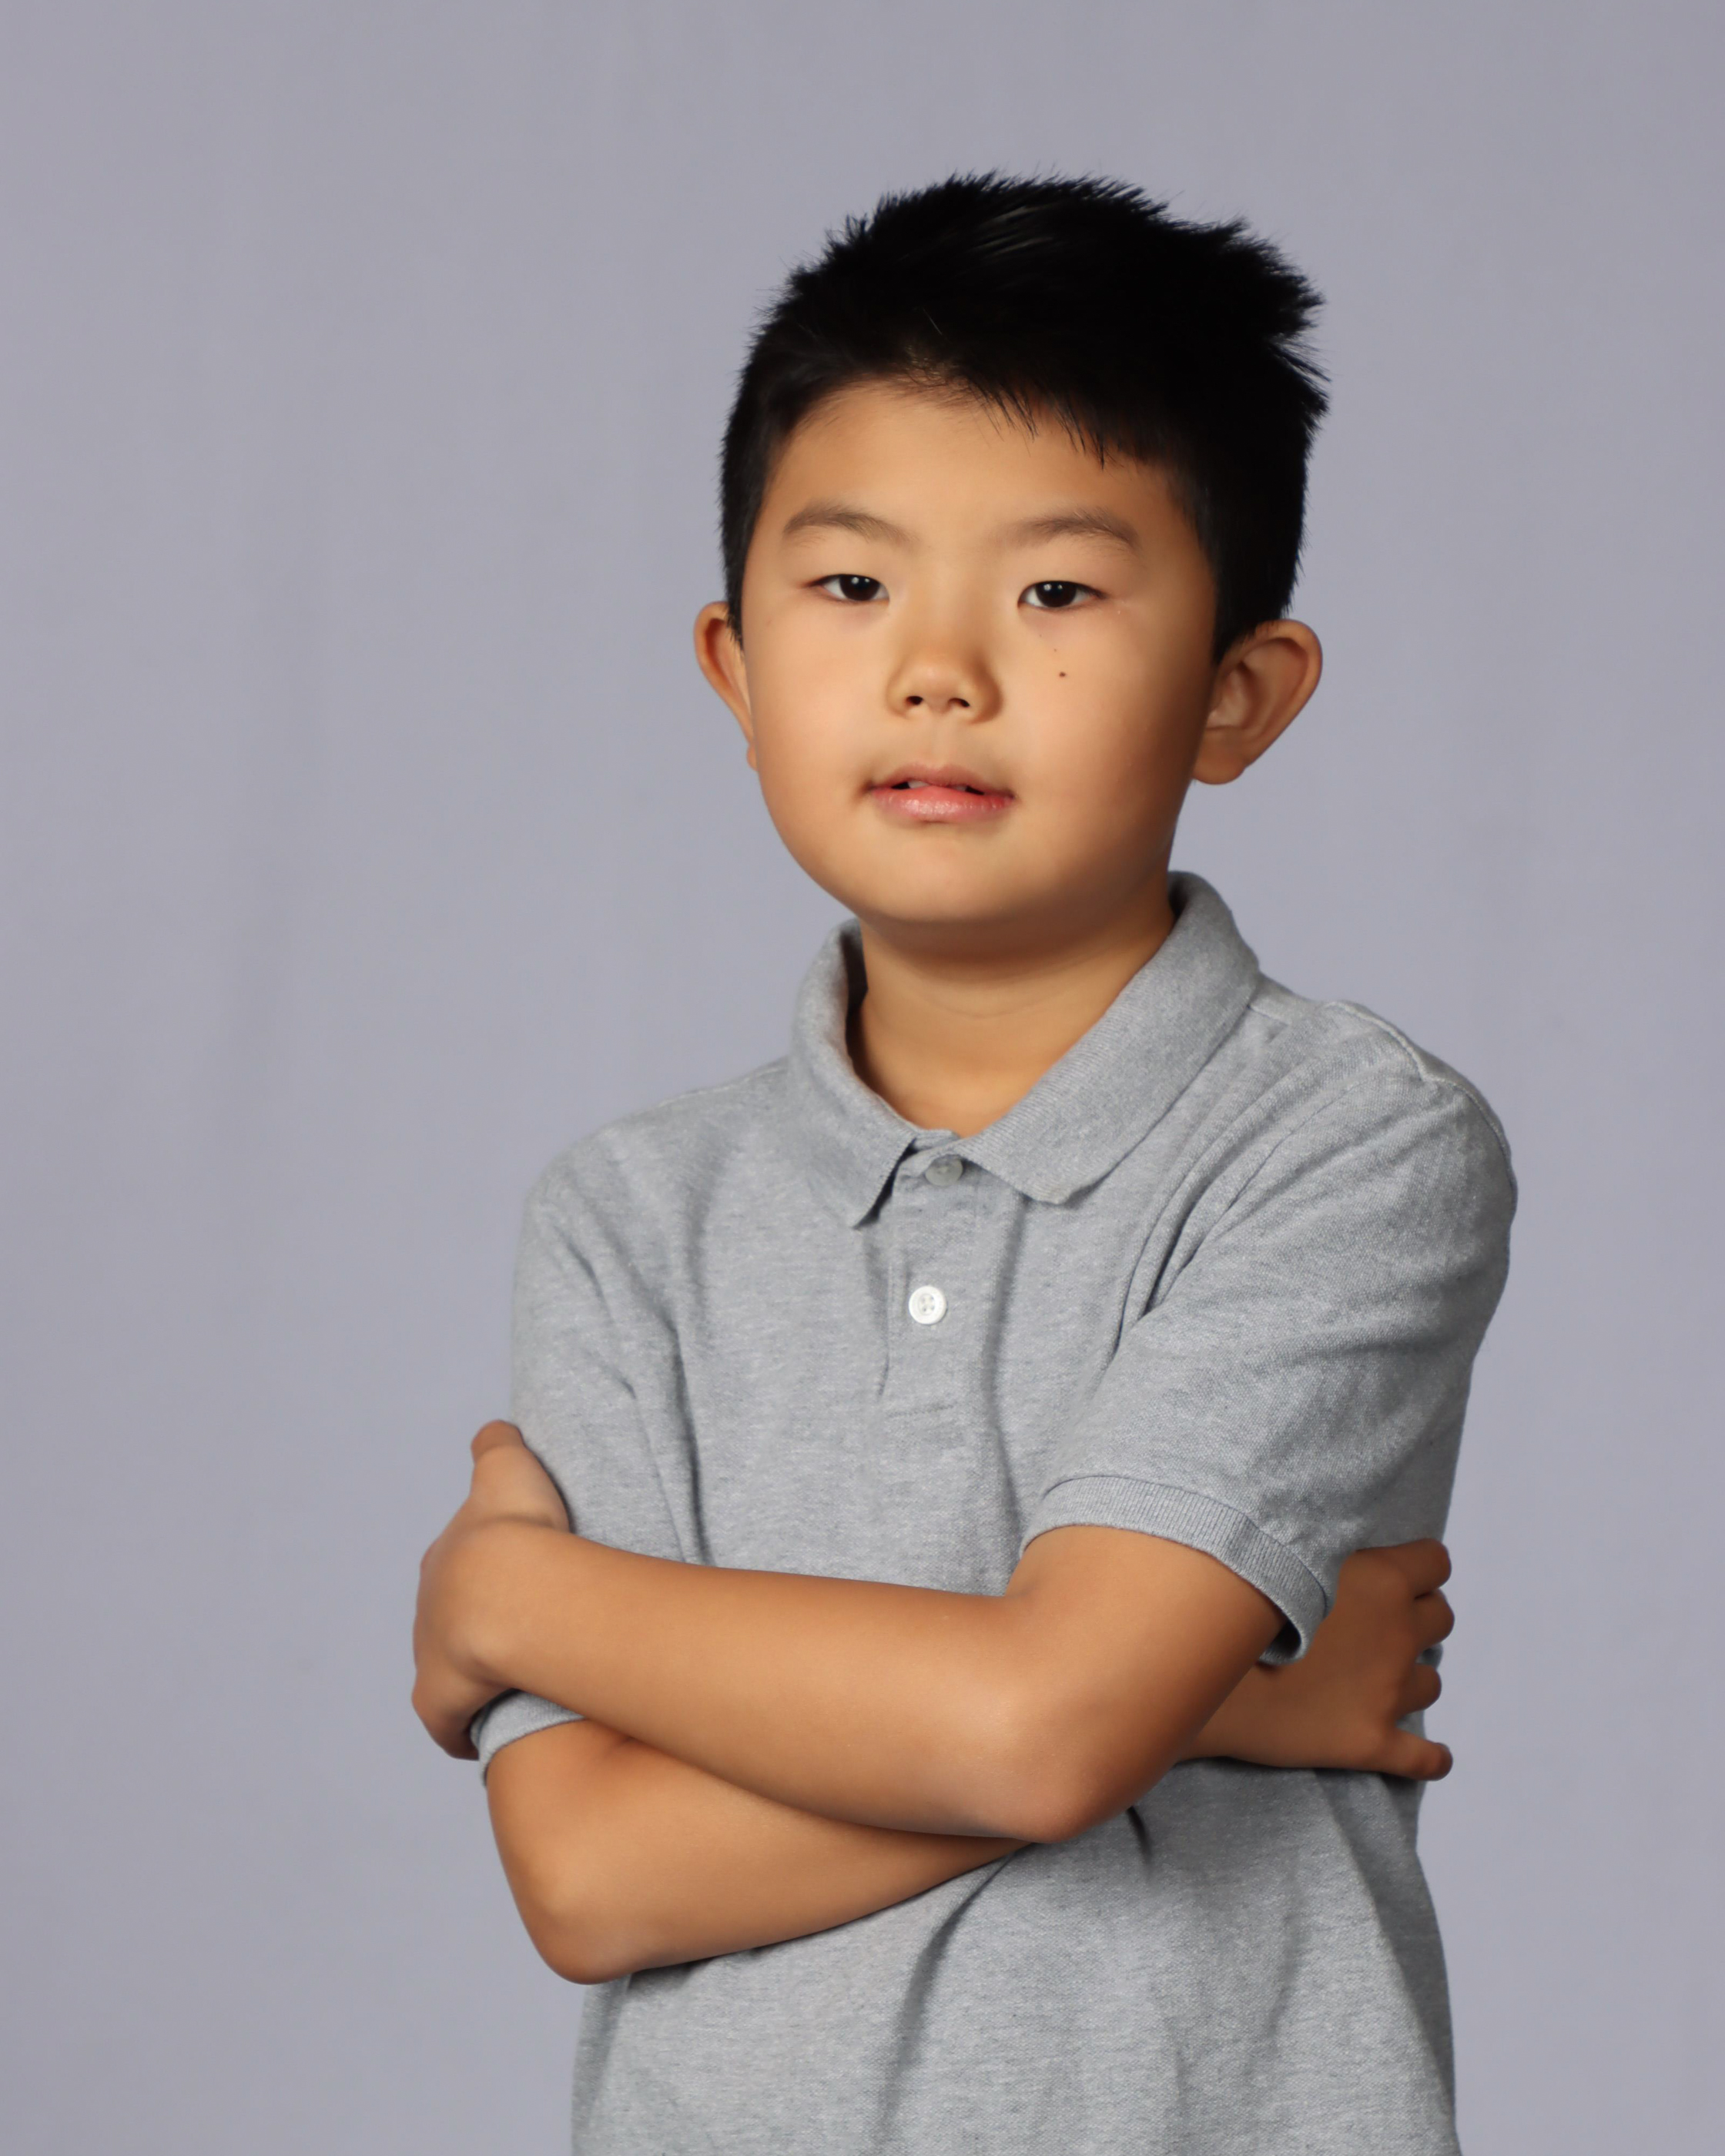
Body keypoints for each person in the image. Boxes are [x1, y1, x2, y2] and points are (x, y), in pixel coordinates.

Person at [411, 173, 1515, 2154]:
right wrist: (1224, 1703)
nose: (938, 668)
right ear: (735, 666)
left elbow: (1045, 1724)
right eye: (850, 586)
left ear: (1238, 693)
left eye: (1057, 593)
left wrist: (511, 1597)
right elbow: (590, 1872)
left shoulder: (1344, 1140)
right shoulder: (628, 1215)